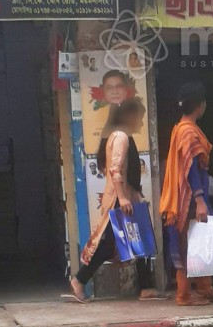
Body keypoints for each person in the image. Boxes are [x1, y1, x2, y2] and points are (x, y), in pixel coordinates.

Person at [66, 98, 161, 303]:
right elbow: (115, 169)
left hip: (127, 197)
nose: (141, 122)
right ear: (128, 116)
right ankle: (80, 279)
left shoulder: (118, 136)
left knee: (140, 239)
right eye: (140, 117)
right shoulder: (121, 137)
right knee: (112, 244)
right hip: (122, 199)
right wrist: (123, 198)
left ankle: (146, 286)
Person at [160, 81, 213, 306]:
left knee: (201, 241)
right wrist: (199, 200)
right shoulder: (187, 131)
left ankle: (205, 287)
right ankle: (184, 295)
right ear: (200, 105)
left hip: (193, 196)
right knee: (187, 246)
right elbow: (190, 169)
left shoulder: (182, 128)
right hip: (188, 198)